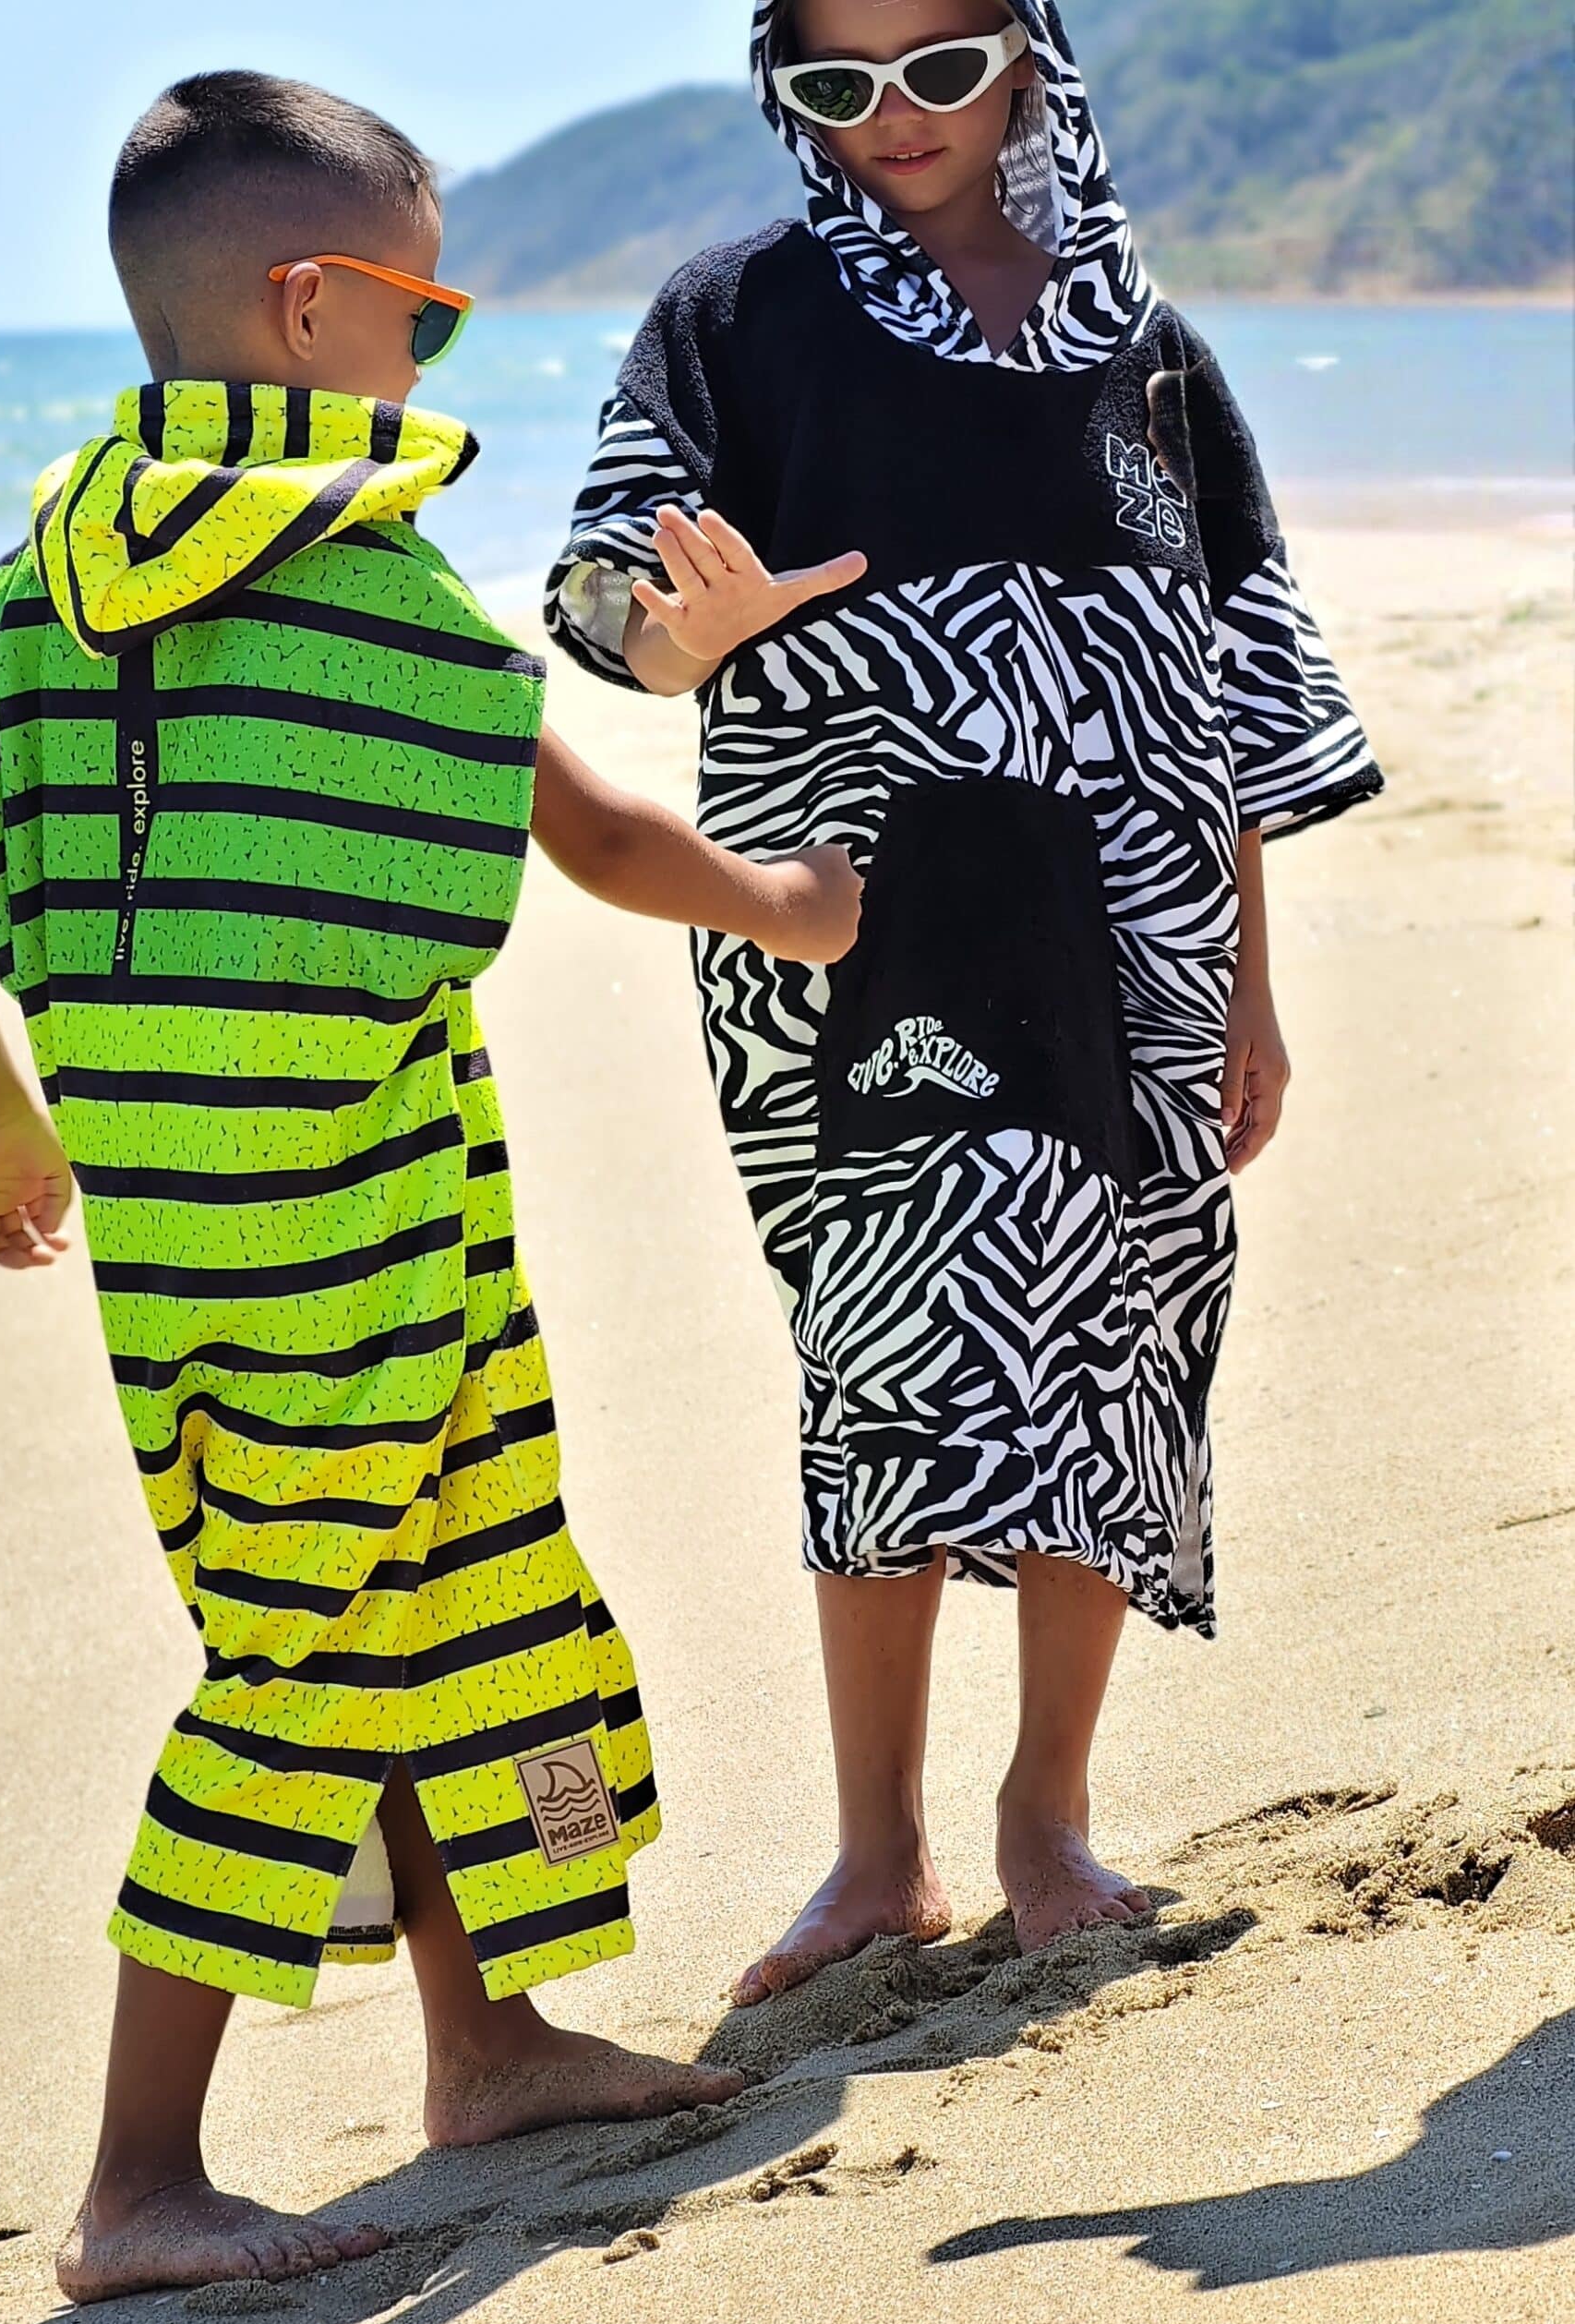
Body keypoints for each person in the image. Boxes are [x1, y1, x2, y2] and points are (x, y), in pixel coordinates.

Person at [0, 69, 861, 2306]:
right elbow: (582, 828)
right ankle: (138, 2176)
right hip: (349, 1218)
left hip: (194, 1233)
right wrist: (786, 903)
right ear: (311, 306)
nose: (427, 358)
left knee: (453, 1583)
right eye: (425, 314)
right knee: (303, 1649)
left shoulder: (52, 577)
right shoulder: (364, 570)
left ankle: (487, 2040)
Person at [547, 0, 1382, 2007]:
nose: (894, 117)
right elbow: (600, 592)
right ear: (785, 93)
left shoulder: (1147, 348)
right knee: (878, 1366)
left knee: (1117, 1335)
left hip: (1137, 925)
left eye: (938, 65)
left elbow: (1230, 683)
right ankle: (876, 1850)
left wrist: (1252, 985)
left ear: (1030, 55)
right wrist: (674, 640)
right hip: (853, 920)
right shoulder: (730, 314)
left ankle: (1045, 1817)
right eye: (836, 86)